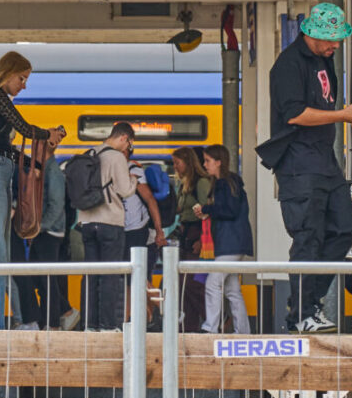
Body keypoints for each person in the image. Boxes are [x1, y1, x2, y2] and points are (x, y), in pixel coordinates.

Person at [255, 2, 352, 334]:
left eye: (338, 40)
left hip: (324, 162)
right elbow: (295, 115)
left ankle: (308, 302)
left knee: (346, 228)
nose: (335, 45)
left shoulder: (323, 60)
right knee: (308, 238)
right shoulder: (288, 65)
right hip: (298, 165)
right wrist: (342, 116)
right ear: (311, 34)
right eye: (330, 39)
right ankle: (300, 315)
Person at [0, 52, 64, 330]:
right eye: (22, 78)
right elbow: (22, 127)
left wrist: (34, 163)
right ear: (7, 72)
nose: (24, 85)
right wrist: (47, 135)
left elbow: (6, 147)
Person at [74, 121, 164, 330]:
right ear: (124, 138)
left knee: (91, 274)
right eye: (129, 145)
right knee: (110, 275)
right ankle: (107, 325)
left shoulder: (90, 153)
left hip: (87, 222)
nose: (128, 150)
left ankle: (89, 324)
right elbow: (125, 191)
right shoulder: (115, 157)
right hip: (109, 223)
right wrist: (132, 179)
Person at [11, 131, 69, 332]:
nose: (31, 150)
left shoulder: (52, 172)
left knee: (46, 279)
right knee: (40, 278)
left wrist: (40, 227)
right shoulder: (43, 170)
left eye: (35, 146)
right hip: (43, 231)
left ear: (43, 148)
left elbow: (56, 205)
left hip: (49, 233)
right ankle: (52, 318)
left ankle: (53, 323)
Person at [196, 144, 253, 335]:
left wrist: (206, 209)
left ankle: (210, 328)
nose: (205, 165)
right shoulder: (232, 183)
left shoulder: (223, 184)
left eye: (208, 161)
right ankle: (243, 332)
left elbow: (228, 210)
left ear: (219, 162)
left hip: (230, 243)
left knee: (213, 283)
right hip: (235, 241)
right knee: (231, 290)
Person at [168, 146, 213, 332]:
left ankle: (217, 318)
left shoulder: (201, 183)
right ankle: (189, 328)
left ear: (188, 162)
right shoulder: (184, 185)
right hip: (186, 235)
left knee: (193, 283)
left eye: (177, 163)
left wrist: (203, 241)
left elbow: (208, 212)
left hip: (198, 234)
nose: (175, 167)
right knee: (183, 285)